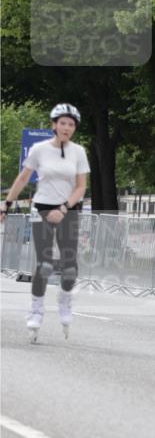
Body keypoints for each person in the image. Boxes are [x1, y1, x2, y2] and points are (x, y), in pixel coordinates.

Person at [0, 104, 90, 340]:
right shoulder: (39, 149)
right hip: (41, 208)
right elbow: (23, 178)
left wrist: (63, 208)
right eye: (62, 123)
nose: (66, 128)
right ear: (54, 125)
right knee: (45, 264)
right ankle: (36, 309)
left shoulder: (78, 152)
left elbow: (81, 187)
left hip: (68, 210)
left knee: (70, 266)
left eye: (71, 125)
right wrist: (6, 204)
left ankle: (65, 299)